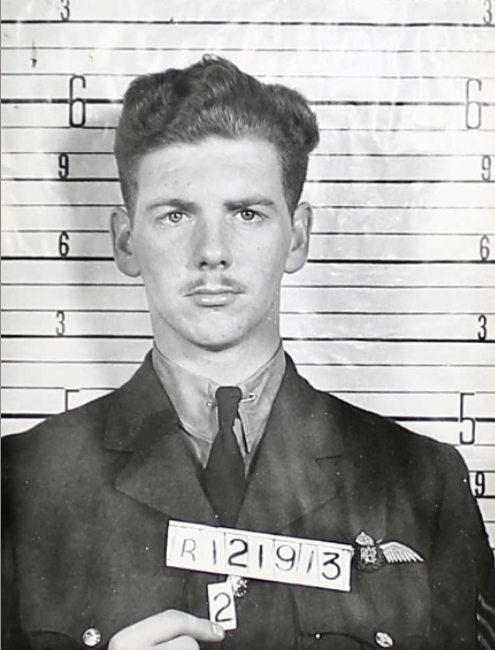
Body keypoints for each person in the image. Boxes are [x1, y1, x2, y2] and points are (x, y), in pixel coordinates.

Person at [2, 55, 494, 650]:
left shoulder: (422, 482)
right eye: (175, 214)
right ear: (126, 242)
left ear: (298, 236)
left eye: (247, 213)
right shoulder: (19, 484)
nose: (212, 251)